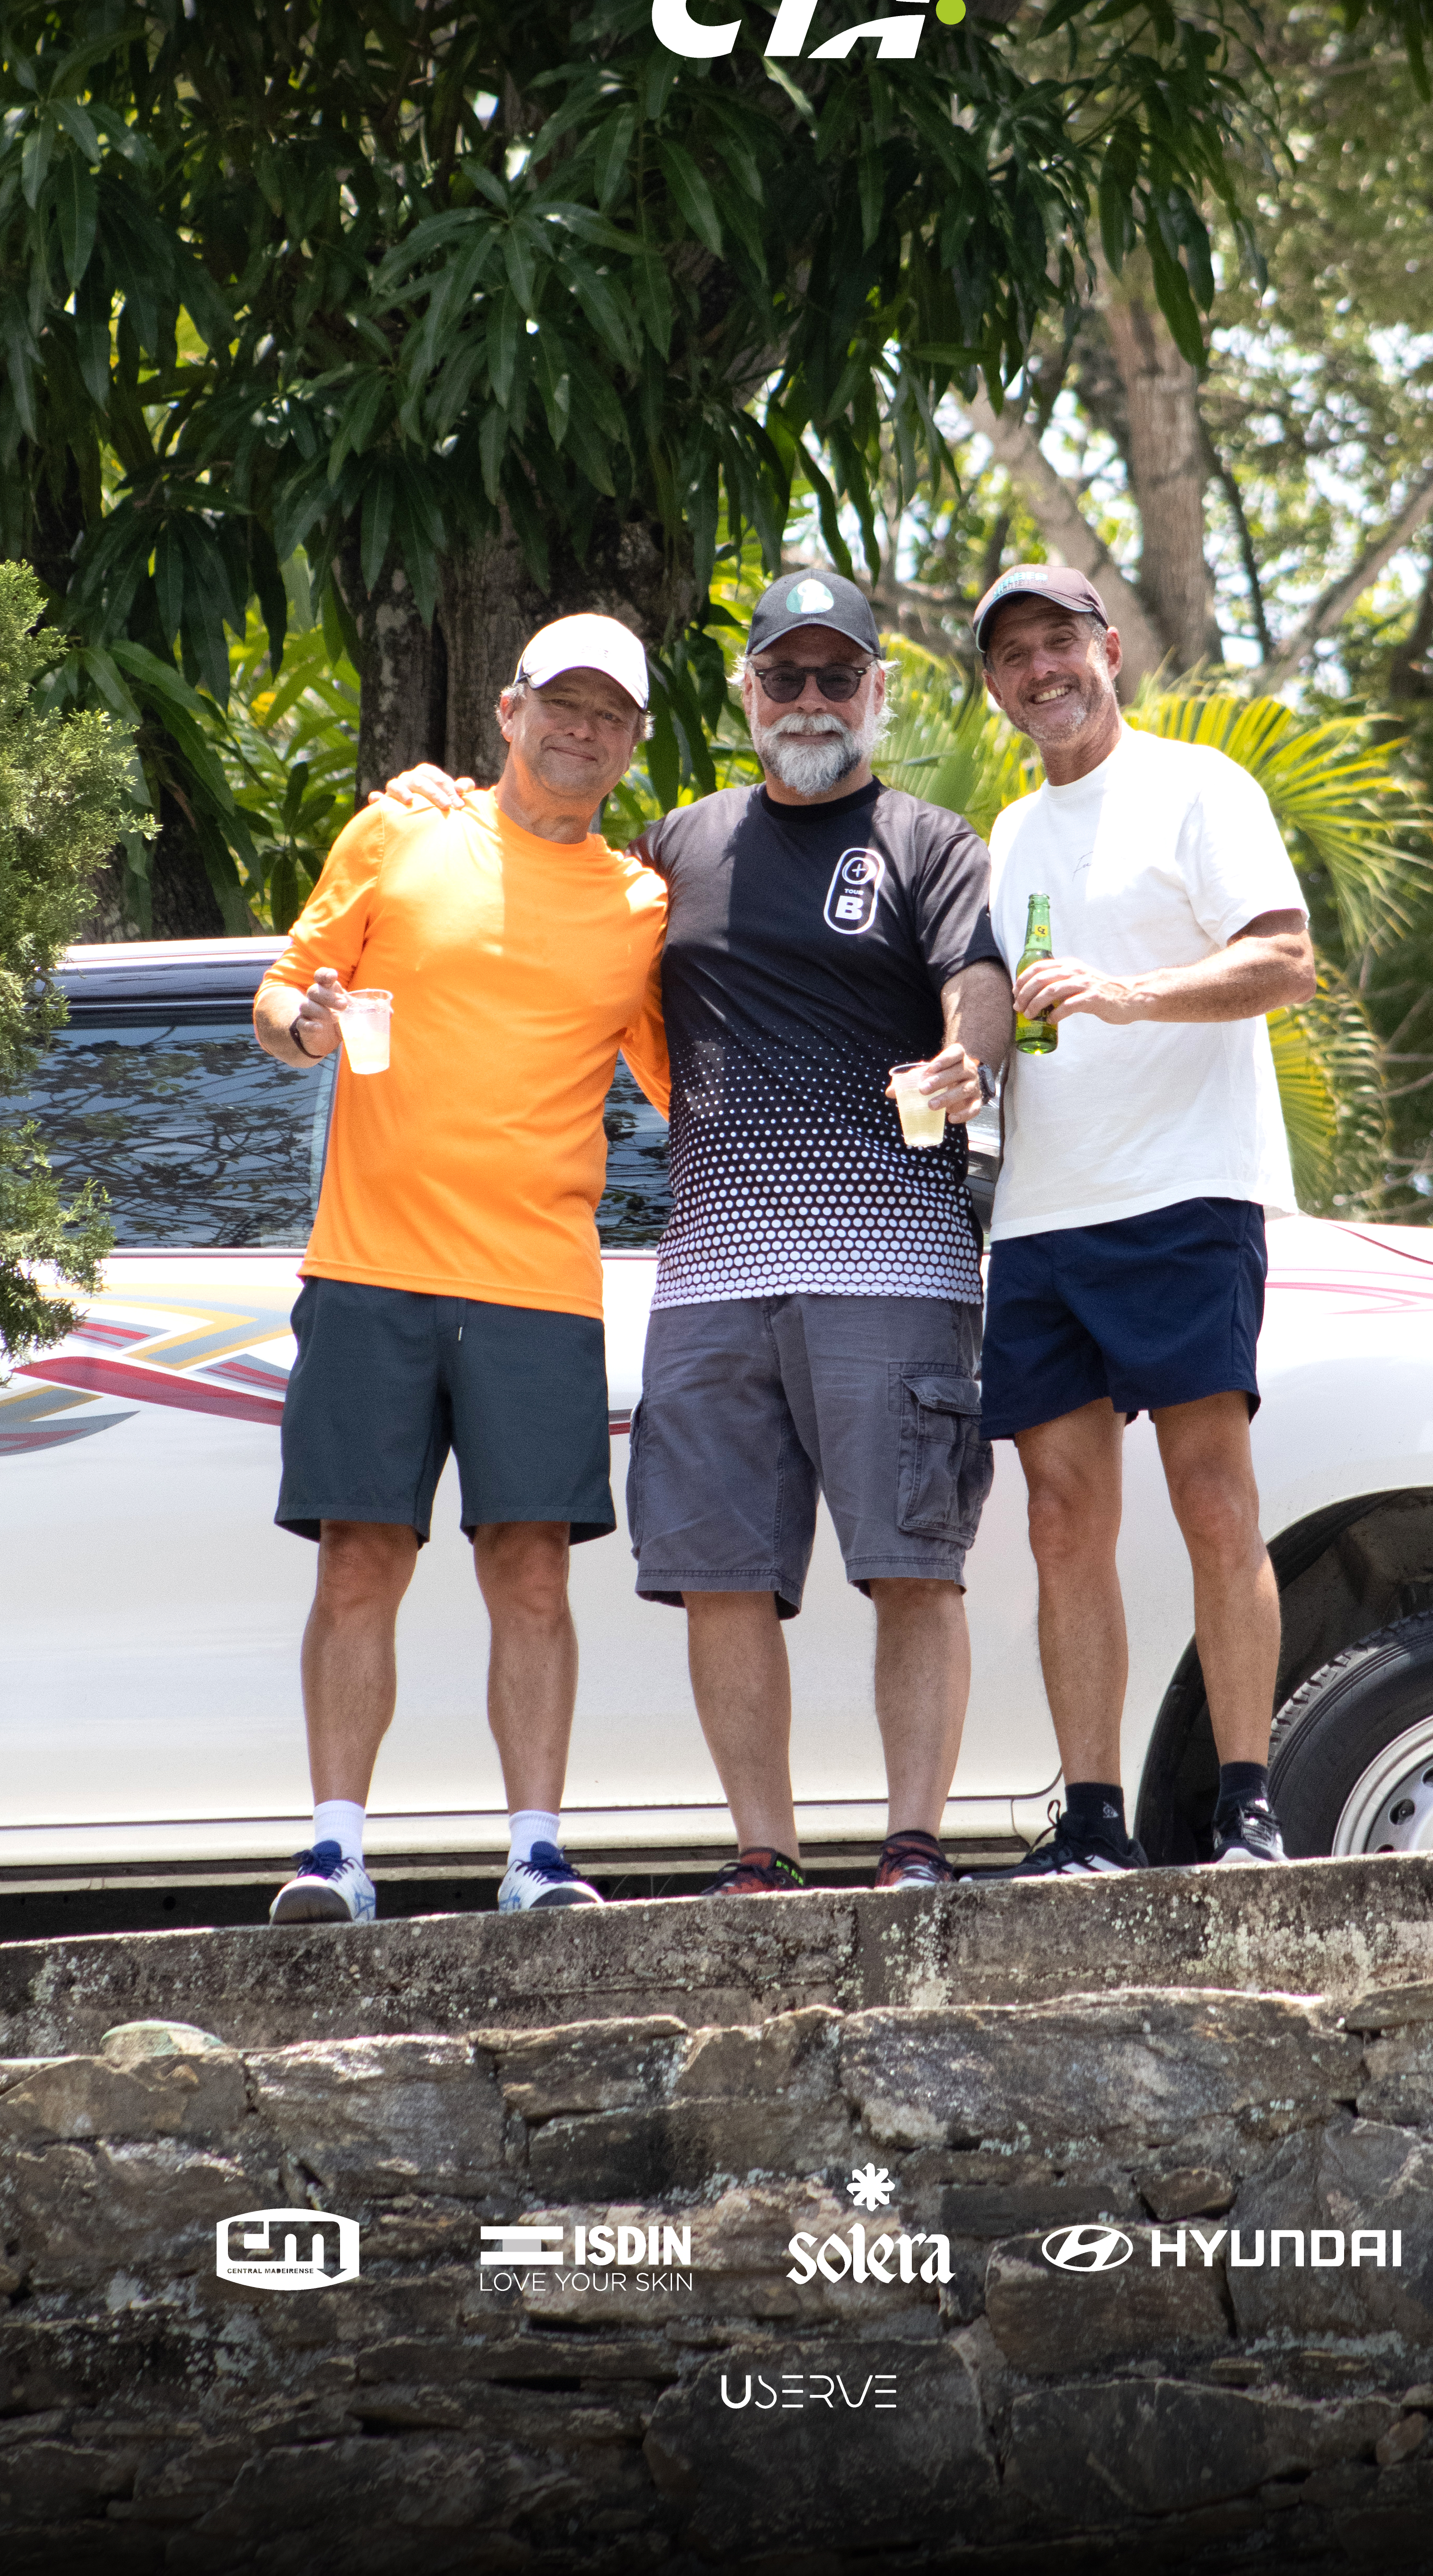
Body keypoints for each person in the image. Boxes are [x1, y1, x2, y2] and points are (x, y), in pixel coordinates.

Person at [383, 568, 1012, 1894]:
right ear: (747, 694)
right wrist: (430, 802)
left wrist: (966, 1060)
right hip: (711, 1279)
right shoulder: (676, 849)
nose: (809, 700)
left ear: (877, 692)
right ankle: (761, 1856)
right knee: (724, 1581)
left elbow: (980, 985)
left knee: (912, 1569)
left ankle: (913, 1849)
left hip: (893, 1268)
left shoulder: (927, 841)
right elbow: (538, 872)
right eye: (784, 675)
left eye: (838, 676)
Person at [251, 615, 668, 1925]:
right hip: (371, 1269)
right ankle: (333, 1854)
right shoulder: (401, 833)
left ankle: (538, 1857)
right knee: (358, 1563)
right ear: (509, 711)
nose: (580, 728)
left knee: (532, 1573)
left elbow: (693, 1086)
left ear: (634, 743)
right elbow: (277, 999)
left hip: (539, 1285)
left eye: (609, 712)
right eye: (561, 702)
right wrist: (309, 1023)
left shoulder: (644, 908)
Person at [968, 562, 1315, 1876]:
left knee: (1215, 1500)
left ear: (1109, 649)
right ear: (994, 685)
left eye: (1062, 642)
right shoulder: (1005, 833)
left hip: (1184, 1194)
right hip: (1043, 1217)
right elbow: (998, 1007)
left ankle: (1247, 1810)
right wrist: (962, 1064)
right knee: (1062, 1523)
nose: (1042, 670)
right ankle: (1093, 1823)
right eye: (1015, 655)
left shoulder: (1198, 788)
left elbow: (1285, 959)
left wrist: (1129, 994)